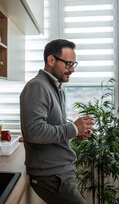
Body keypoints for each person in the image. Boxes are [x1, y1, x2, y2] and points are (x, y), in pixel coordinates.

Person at [20, 39, 94, 204]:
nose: (72, 69)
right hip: (51, 175)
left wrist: (76, 132)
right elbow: (35, 131)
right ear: (51, 60)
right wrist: (73, 129)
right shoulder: (38, 87)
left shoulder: (57, 88)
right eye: (68, 64)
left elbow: (53, 128)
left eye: (74, 64)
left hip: (59, 171)